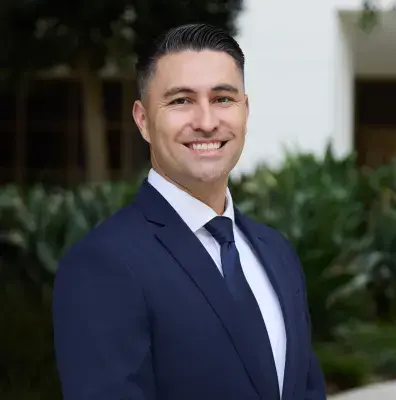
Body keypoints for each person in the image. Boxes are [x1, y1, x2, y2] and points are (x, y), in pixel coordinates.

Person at [52, 23, 326, 400]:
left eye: (223, 98)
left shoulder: (277, 251)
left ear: (245, 111)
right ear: (143, 120)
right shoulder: (103, 263)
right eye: (181, 101)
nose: (207, 122)